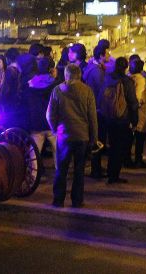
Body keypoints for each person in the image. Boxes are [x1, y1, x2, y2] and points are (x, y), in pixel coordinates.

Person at [47, 63, 98, 208]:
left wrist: (55, 129)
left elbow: (50, 114)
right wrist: (94, 137)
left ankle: (58, 199)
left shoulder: (57, 91)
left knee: (61, 169)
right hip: (82, 136)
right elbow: (92, 117)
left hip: (64, 136)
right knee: (79, 170)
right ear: (79, 75)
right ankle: (77, 200)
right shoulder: (87, 91)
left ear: (66, 75)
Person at [101, 57, 134, 184]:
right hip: (122, 118)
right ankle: (114, 175)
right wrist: (134, 119)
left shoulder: (108, 78)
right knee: (120, 148)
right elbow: (132, 102)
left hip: (109, 117)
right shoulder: (126, 81)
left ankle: (110, 172)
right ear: (126, 67)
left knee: (113, 145)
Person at [22, 57, 57, 172]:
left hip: (36, 124)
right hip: (52, 124)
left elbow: (25, 103)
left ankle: (33, 178)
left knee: (34, 155)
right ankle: (60, 178)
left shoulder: (29, 85)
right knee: (58, 153)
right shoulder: (56, 85)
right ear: (51, 69)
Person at [84, 44, 108, 179]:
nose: (109, 56)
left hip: (94, 108)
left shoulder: (91, 68)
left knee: (96, 139)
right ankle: (96, 169)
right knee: (98, 140)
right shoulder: (97, 72)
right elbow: (102, 91)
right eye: (107, 53)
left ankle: (96, 167)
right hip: (98, 109)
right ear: (101, 56)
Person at [128, 57, 146, 167]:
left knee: (130, 137)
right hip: (140, 112)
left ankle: (128, 159)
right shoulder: (141, 79)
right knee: (140, 137)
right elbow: (138, 96)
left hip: (130, 111)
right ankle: (138, 159)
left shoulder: (129, 77)